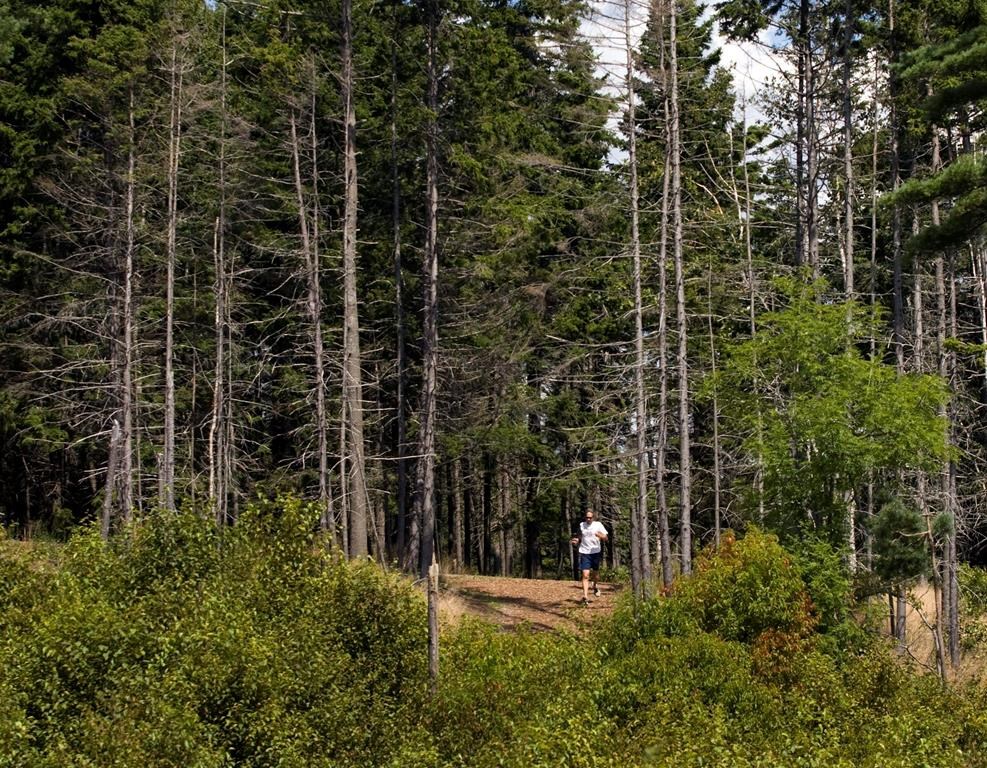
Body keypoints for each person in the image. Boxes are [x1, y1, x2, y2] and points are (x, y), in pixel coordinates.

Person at [570, 510, 607, 604]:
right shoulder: (582, 525)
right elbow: (579, 536)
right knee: (585, 575)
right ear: (585, 517)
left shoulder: (598, 525)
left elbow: (606, 538)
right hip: (584, 552)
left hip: (595, 552)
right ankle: (585, 597)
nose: (588, 519)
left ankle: (595, 586)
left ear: (593, 518)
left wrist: (601, 536)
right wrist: (576, 540)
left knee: (596, 575)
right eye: (587, 517)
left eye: (590, 517)